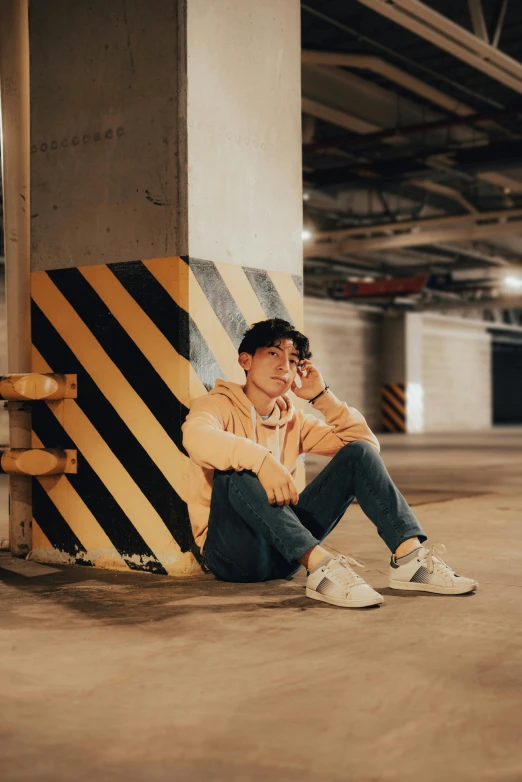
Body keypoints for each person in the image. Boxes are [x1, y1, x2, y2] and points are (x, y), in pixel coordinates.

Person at [182, 318, 478, 608]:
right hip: (235, 557)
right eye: (273, 353)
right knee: (235, 472)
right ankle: (321, 567)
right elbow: (196, 438)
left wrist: (322, 397)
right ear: (245, 361)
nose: (285, 366)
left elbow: (366, 445)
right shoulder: (216, 405)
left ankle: (410, 560)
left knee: (358, 454)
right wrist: (262, 461)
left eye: (294, 359)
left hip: (285, 555)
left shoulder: (293, 420)